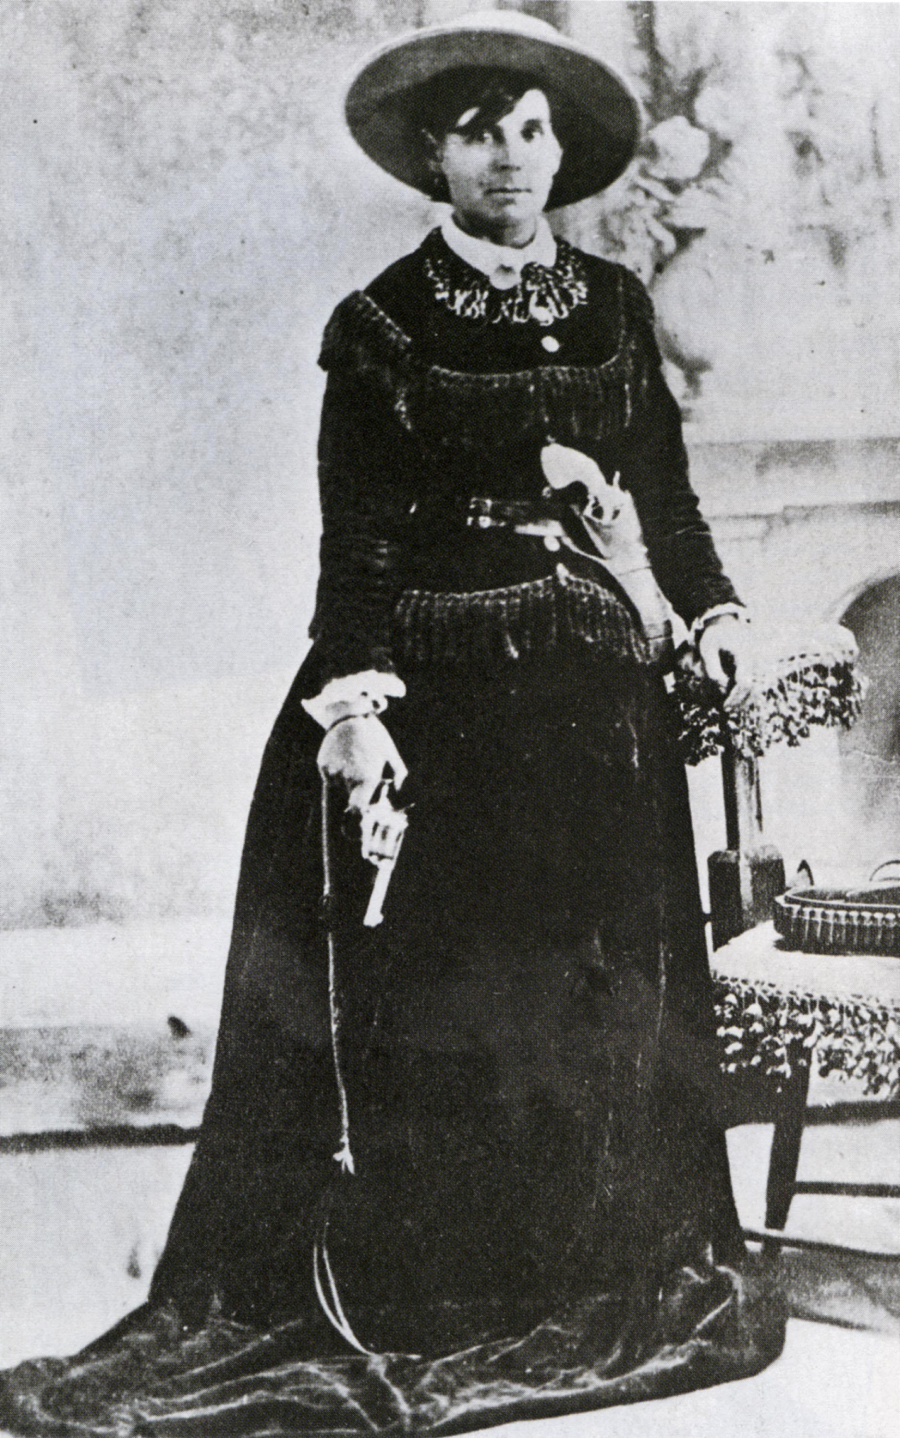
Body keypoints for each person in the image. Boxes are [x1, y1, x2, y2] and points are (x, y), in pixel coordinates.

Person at [0, 12, 784, 1435]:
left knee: (591, 1004)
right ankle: (444, 1291)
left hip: (594, 715)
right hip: (448, 702)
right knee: (448, 1003)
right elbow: (353, 548)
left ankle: (584, 1262)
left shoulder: (613, 302)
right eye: (480, 132)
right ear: (434, 153)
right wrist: (356, 712)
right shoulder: (380, 324)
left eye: (532, 128)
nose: (511, 157)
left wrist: (712, 613)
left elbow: (664, 498)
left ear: (562, 147)